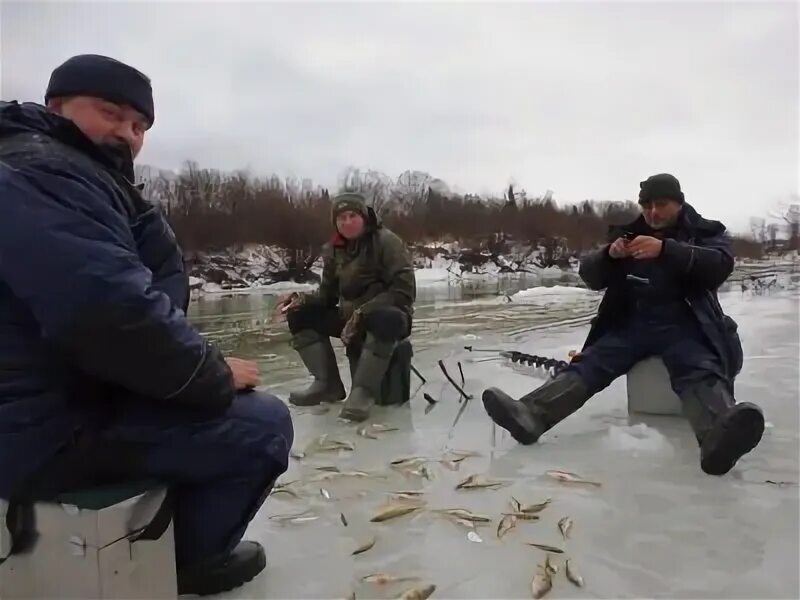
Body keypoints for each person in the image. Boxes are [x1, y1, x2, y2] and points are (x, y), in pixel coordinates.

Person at [0, 54, 294, 595]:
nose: (128, 135)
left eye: (139, 126)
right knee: (261, 426)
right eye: (110, 114)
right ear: (55, 107)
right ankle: (186, 563)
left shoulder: (56, 169)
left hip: (55, 401)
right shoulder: (47, 170)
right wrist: (209, 376)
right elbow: (109, 311)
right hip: (40, 429)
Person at [482, 173, 764, 476]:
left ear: (679, 203)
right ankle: (531, 415)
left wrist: (665, 249)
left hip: (687, 324)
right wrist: (608, 256)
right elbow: (590, 276)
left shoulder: (705, 231)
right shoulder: (628, 234)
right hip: (632, 324)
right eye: (646, 205)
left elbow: (720, 265)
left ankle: (717, 437)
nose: (653, 212)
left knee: (698, 368)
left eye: (661, 204)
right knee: (590, 363)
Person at [277, 192, 416, 422]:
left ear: (364, 216)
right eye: (341, 218)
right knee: (300, 314)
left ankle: (363, 392)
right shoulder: (334, 249)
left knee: (386, 318)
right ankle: (327, 384)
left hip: (390, 318)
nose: (347, 222)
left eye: (353, 215)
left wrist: (364, 312)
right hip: (348, 319)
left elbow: (403, 292)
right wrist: (301, 299)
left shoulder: (386, 242)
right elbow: (327, 296)